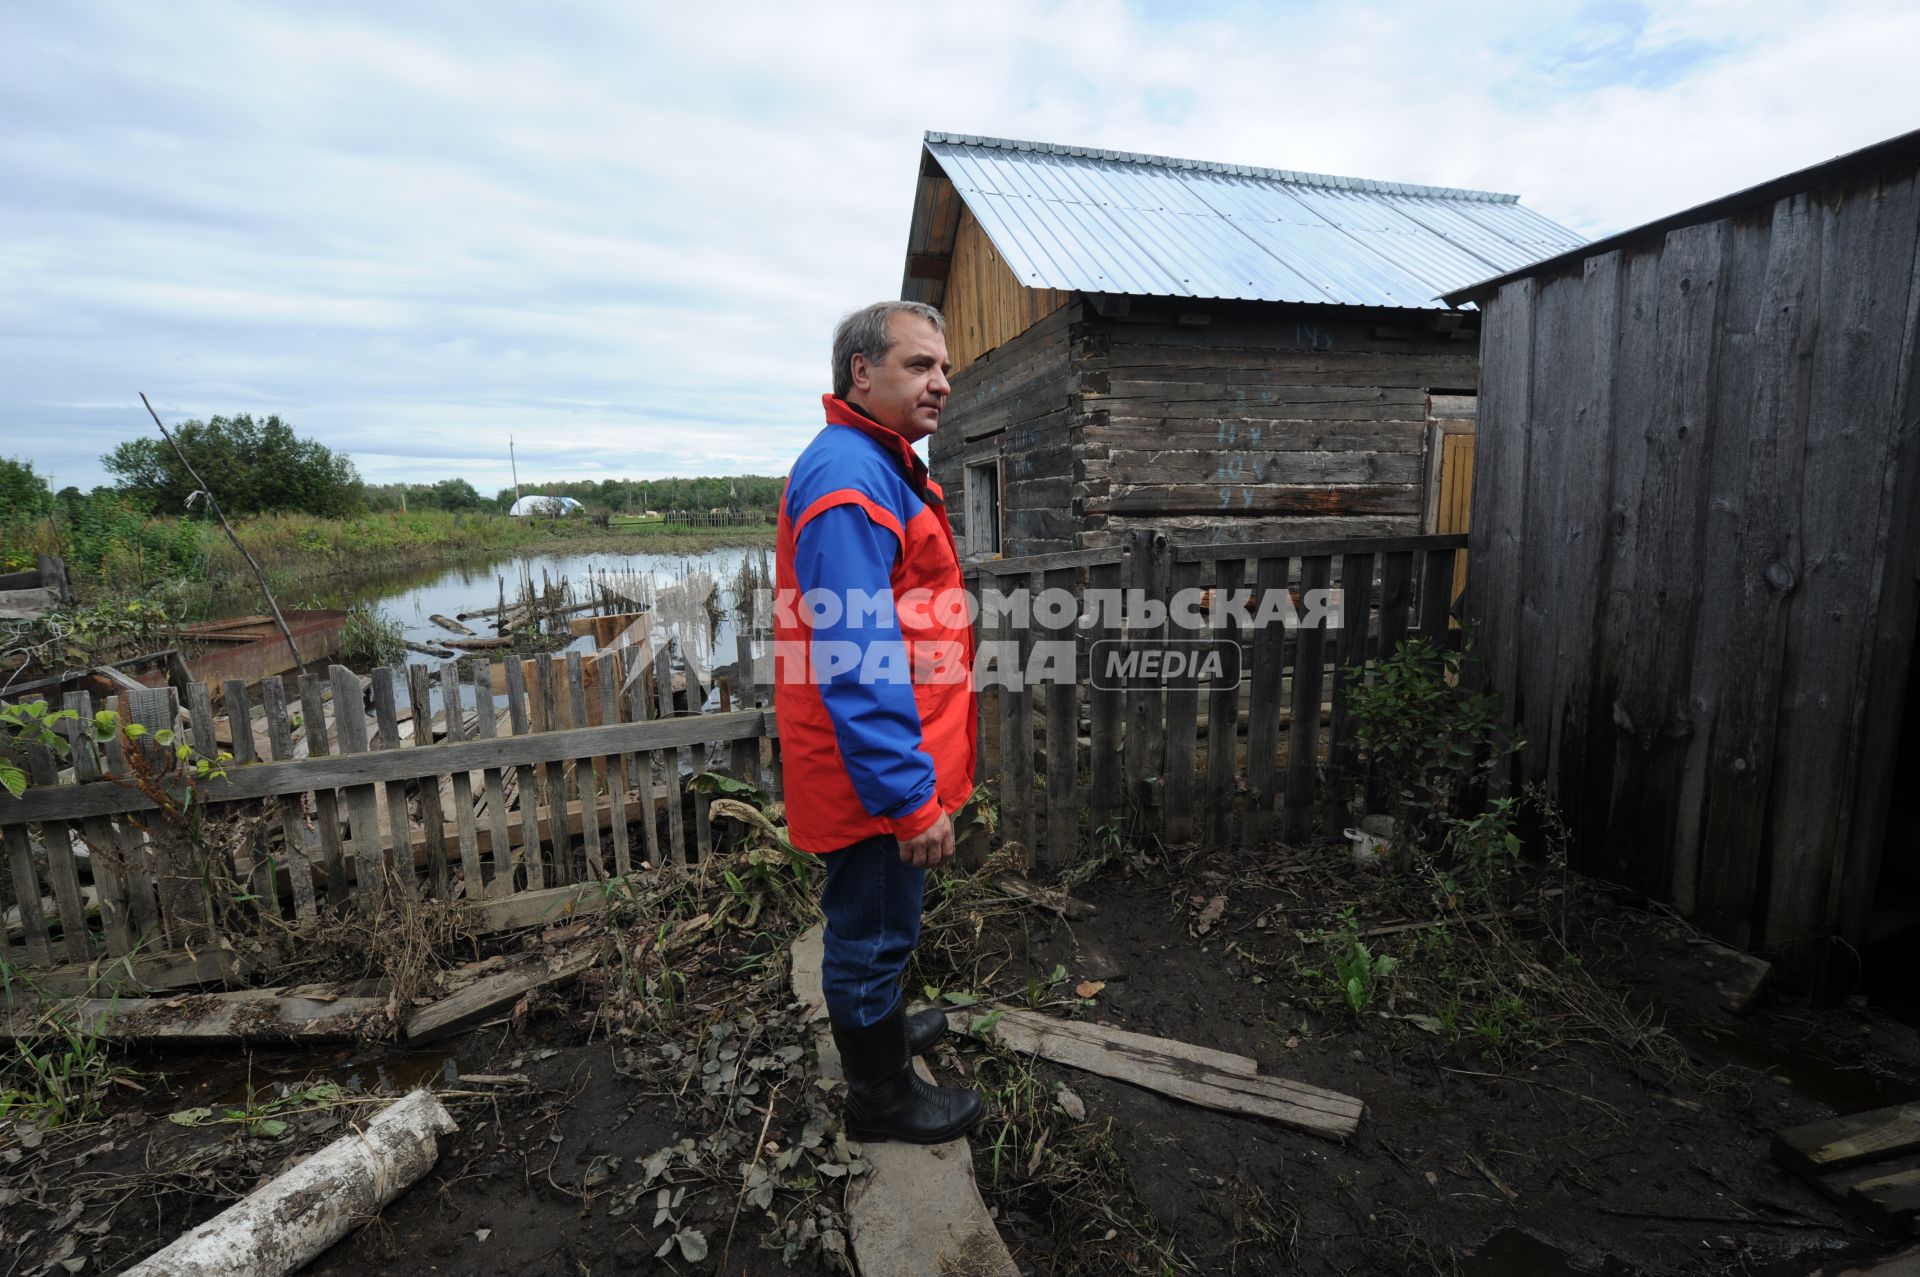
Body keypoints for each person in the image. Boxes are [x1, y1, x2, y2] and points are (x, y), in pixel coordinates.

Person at [773, 300, 983, 1144]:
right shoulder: (850, 481)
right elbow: (858, 657)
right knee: (870, 933)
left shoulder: (873, 463)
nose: (940, 382)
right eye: (919, 365)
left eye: (944, 369)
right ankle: (881, 1098)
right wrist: (907, 797)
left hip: (884, 763)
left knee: (884, 922)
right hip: (874, 779)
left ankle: (886, 1030)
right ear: (862, 372)